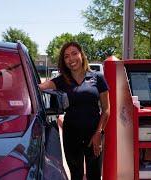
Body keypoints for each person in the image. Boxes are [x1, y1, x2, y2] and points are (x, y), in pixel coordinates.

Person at [39, 42, 110, 180]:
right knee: (76, 175)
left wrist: (98, 133)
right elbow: (39, 88)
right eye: (66, 56)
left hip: (93, 135)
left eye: (74, 53)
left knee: (94, 175)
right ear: (63, 61)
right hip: (71, 135)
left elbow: (106, 109)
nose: (71, 59)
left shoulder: (97, 78)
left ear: (81, 55)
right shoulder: (61, 81)